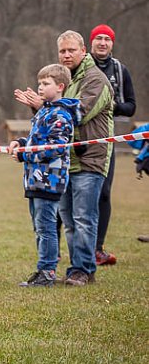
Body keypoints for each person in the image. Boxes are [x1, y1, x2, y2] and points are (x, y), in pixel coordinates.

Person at [15, 30, 113, 286]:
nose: (67, 54)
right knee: (68, 219)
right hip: (64, 162)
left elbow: (78, 113)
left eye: (71, 50)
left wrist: (43, 105)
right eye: (62, 51)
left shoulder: (96, 79)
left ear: (83, 50)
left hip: (90, 159)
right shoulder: (63, 77)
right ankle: (74, 268)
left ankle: (83, 269)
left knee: (83, 218)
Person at [9, 64, 79, 287]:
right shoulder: (45, 111)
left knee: (47, 228)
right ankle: (42, 268)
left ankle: (47, 271)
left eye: (46, 84)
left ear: (60, 87)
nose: (40, 87)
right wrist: (20, 143)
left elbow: (55, 148)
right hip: (35, 180)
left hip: (50, 181)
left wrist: (24, 155)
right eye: (40, 83)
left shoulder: (60, 115)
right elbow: (36, 140)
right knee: (39, 227)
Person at [88, 24, 137, 266]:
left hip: (107, 138)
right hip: (80, 136)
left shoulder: (120, 70)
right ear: (91, 42)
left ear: (112, 43)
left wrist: (110, 105)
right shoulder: (81, 66)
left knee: (104, 194)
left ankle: (98, 248)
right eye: (99, 39)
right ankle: (56, 247)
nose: (103, 43)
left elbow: (130, 107)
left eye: (107, 39)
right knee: (67, 193)